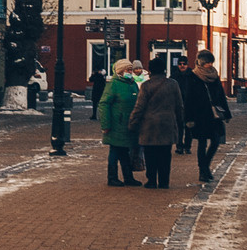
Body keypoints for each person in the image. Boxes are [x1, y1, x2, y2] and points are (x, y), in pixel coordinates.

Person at [129, 58, 185, 190]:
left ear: (151, 70)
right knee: (165, 154)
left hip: (149, 126)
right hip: (167, 124)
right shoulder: (173, 84)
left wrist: (133, 122)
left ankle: (152, 180)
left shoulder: (146, 86)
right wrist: (180, 122)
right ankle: (164, 181)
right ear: (164, 69)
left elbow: (139, 107)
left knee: (150, 154)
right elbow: (179, 105)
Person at [186, 51, 231, 182]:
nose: (210, 65)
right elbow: (189, 99)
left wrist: (226, 113)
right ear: (201, 63)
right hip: (200, 115)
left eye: (211, 62)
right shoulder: (193, 77)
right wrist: (188, 118)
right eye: (207, 63)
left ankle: (205, 166)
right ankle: (203, 170)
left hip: (214, 115)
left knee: (216, 141)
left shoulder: (215, 76)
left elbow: (221, 96)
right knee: (202, 143)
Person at [98, 59, 142, 186]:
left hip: (129, 124)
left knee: (124, 151)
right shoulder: (113, 84)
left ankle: (128, 177)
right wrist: (106, 125)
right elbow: (104, 104)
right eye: (128, 70)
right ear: (120, 71)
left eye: (131, 69)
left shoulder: (132, 83)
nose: (130, 72)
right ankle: (112, 177)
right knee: (115, 150)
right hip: (116, 125)